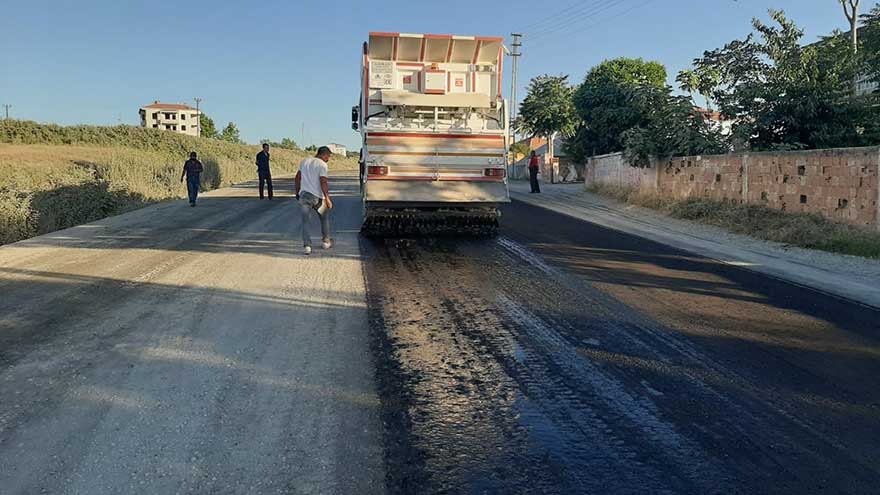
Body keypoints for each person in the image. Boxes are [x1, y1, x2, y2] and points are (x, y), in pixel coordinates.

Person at [295, 146, 334, 255]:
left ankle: (307, 246)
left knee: (305, 221)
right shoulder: (322, 165)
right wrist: (327, 198)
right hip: (317, 198)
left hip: (304, 196)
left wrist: (297, 192)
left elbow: (297, 178)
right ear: (324, 154)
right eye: (328, 156)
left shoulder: (304, 161)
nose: (328, 159)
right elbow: (323, 182)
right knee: (324, 218)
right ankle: (326, 241)